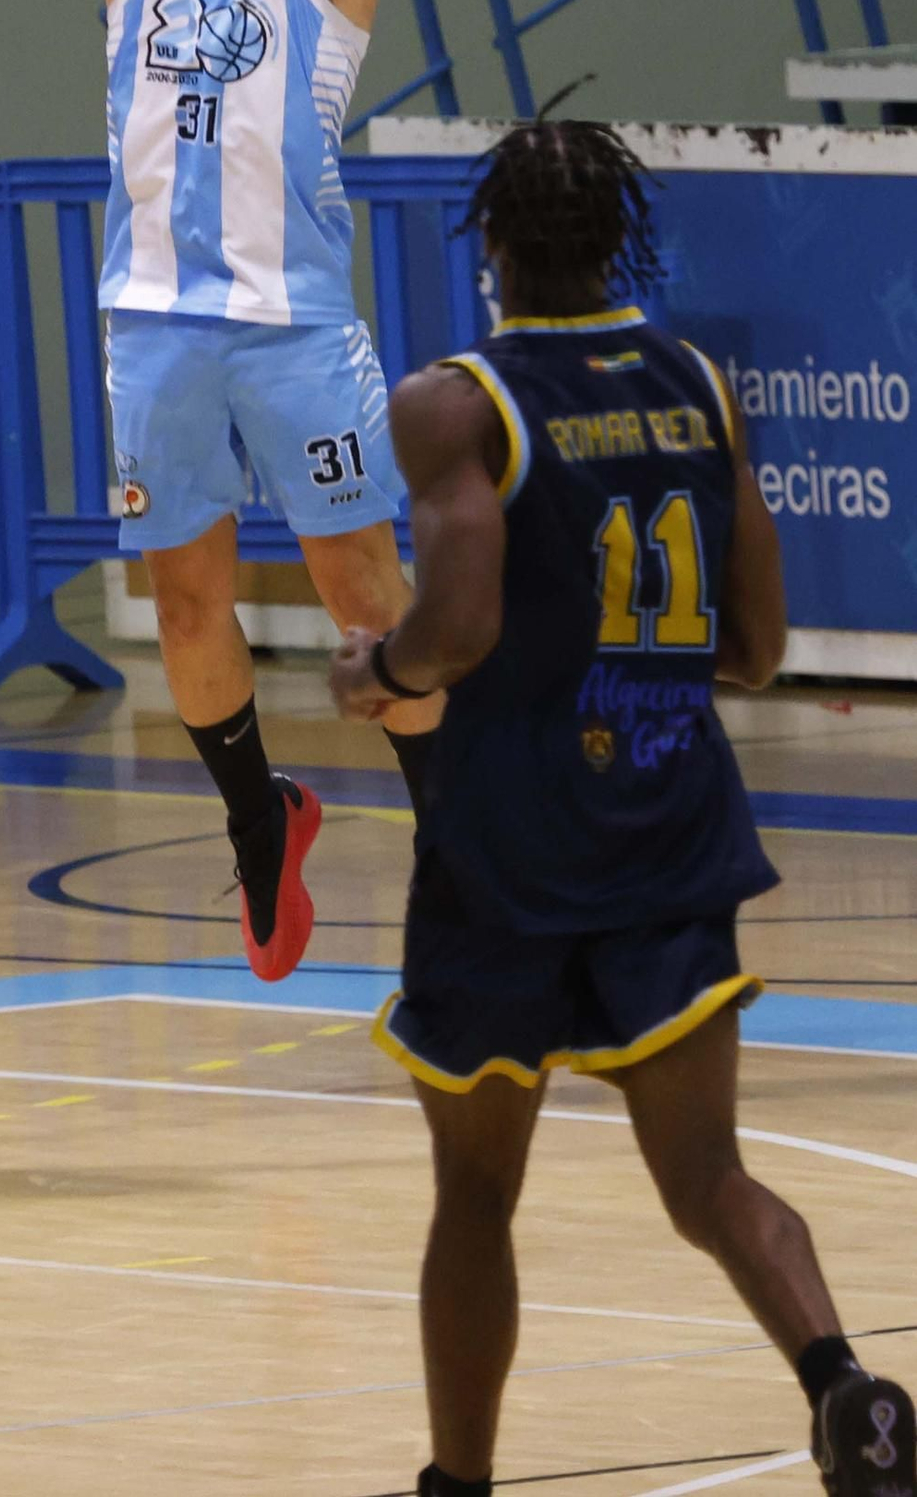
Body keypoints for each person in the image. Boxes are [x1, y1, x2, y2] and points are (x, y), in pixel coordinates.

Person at [329, 115, 913, 1497]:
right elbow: (760, 645)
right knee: (709, 1176)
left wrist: (380, 668)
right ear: (619, 242)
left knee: (477, 1193)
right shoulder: (699, 381)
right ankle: (849, 1392)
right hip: (668, 819)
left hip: (512, 847)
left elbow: (460, 622)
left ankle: (460, 1486)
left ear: (499, 246)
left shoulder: (454, 403)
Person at [0, 0, 440, 981]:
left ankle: (464, 845)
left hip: (294, 327)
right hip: (152, 325)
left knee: (362, 594)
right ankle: (258, 824)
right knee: (189, 604)